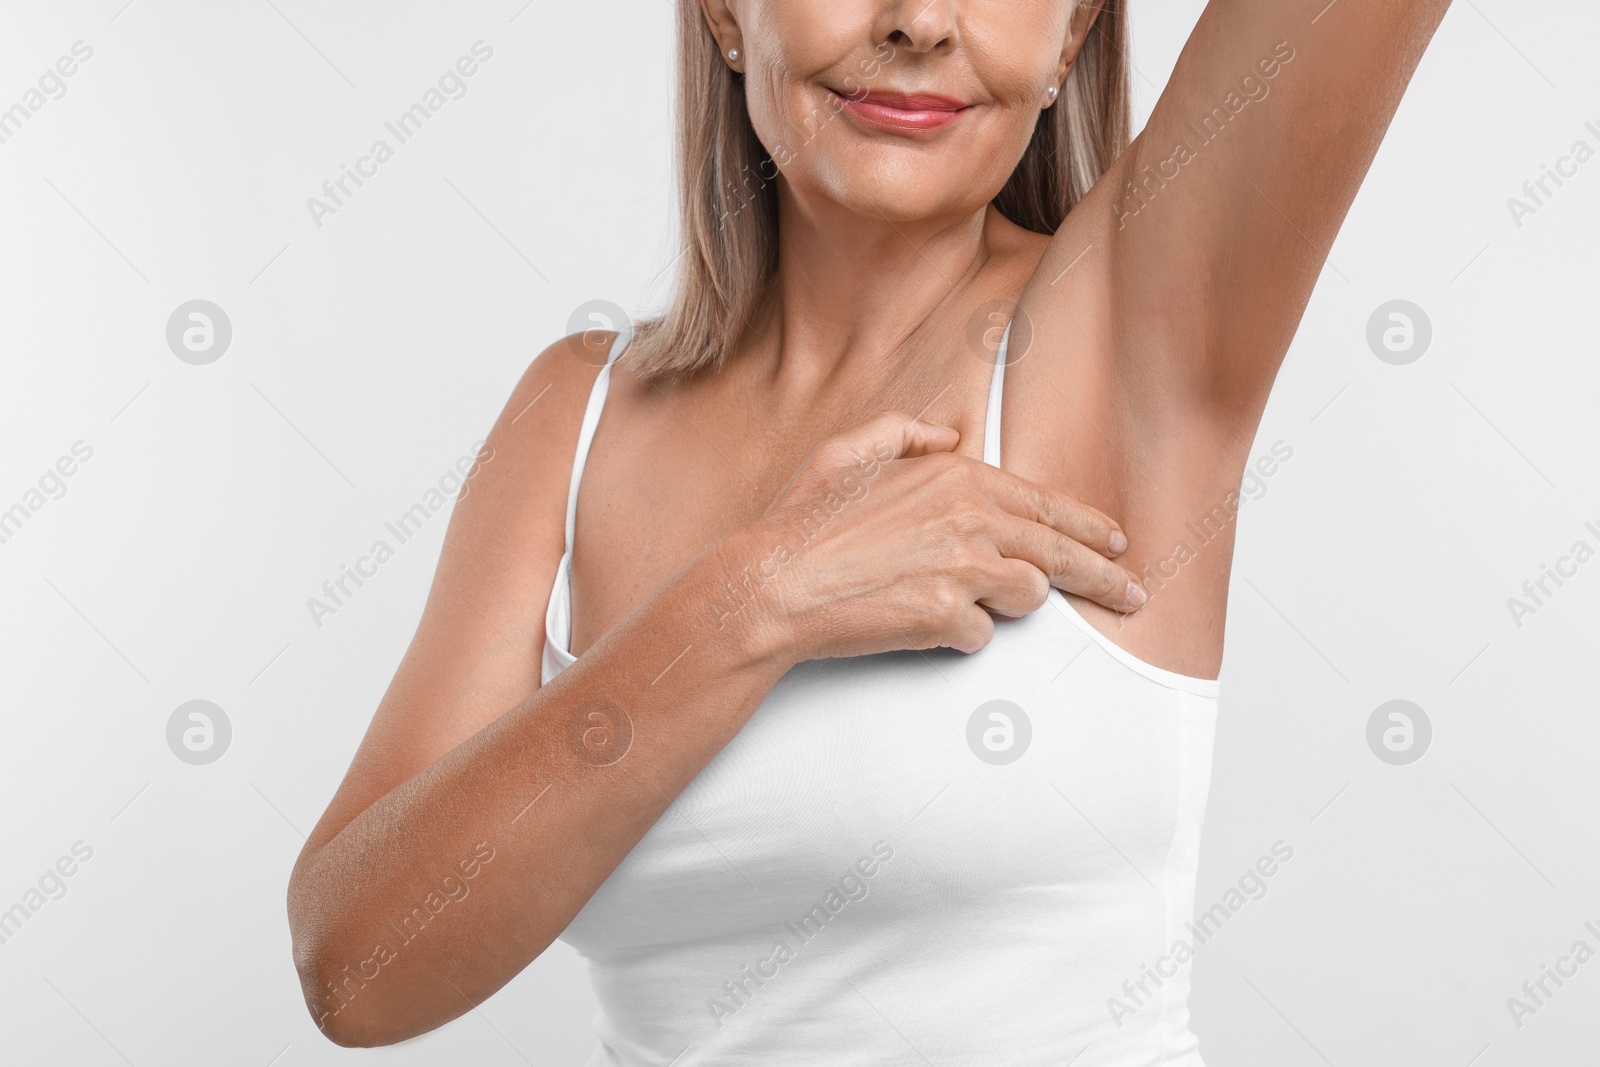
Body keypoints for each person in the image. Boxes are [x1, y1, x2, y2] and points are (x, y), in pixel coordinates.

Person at [288, 1, 1451, 1061]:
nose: (920, 22)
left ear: (1071, 32)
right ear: (726, 16)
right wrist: (750, 603)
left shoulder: (1129, 333)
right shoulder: (578, 414)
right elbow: (356, 968)